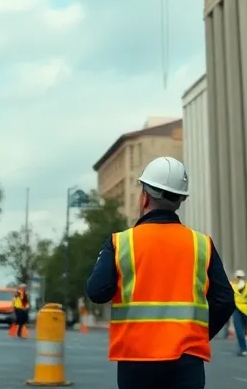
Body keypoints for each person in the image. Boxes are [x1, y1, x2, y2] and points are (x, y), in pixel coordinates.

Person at [86, 156, 234, 389]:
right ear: (180, 200)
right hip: (186, 361)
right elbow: (225, 301)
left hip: (136, 361)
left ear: (144, 197)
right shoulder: (202, 244)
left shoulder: (121, 243)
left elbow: (97, 292)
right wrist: (197, 336)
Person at [230, 269, 247, 356]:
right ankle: (242, 347)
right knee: (242, 330)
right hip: (246, 309)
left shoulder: (232, 285)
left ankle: (243, 349)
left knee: (239, 330)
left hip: (237, 308)